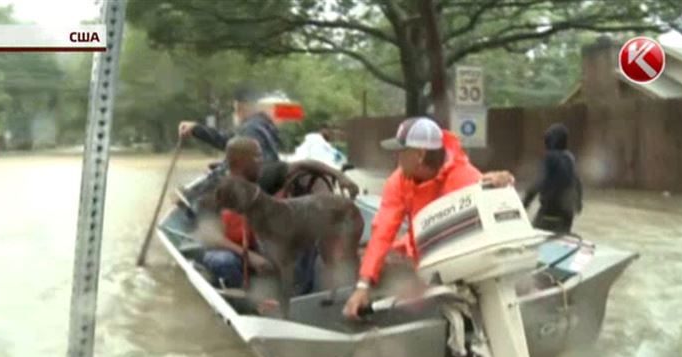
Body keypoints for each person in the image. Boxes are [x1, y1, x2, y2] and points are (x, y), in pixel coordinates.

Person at [342, 117, 515, 319]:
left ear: (420, 154)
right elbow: (382, 233)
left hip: (459, 265)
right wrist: (364, 284)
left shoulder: (463, 178)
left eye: (401, 152)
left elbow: (497, 200)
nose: (397, 158)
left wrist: (504, 182)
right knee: (370, 259)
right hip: (420, 259)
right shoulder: (398, 182)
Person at [200, 136, 359, 296]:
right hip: (236, 254)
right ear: (239, 160)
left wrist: (340, 176)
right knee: (221, 261)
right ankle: (249, 301)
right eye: (257, 156)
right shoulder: (215, 190)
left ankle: (298, 294)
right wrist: (250, 256)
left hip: (267, 245)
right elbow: (211, 237)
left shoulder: (264, 176)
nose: (262, 161)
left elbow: (305, 164)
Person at [522, 123, 583, 233]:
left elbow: (539, 182)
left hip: (549, 212)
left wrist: (525, 203)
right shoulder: (569, 158)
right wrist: (578, 203)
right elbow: (577, 181)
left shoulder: (549, 158)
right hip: (567, 213)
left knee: (533, 234)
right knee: (561, 236)